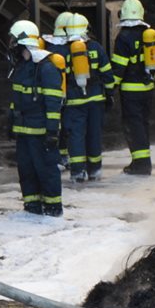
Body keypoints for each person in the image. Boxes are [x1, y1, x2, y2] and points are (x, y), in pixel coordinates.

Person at [7, 20, 64, 216]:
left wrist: (52, 131)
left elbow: (53, 103)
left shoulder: (46, 69)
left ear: (24, 42)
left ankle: (53, 208)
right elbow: (17, 99)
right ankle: (31, 207)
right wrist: (11, 121)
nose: (12, 45)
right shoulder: (21, 68)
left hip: (41, 132)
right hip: (23, 131)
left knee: (46, 170)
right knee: (26, 170)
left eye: (14, 41)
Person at [63, 13, 115, 182]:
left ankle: (78, 172)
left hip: (73, 101)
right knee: (94, 134)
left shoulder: (64, 50)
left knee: (76, 135)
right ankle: (95, 170)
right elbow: (107, 73)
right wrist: (110, 94)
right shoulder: (96, 47)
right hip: (96, 100)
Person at [111, 0, 155, 175]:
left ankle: (141, 165)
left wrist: (110, 87)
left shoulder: (123, 37)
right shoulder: (147, 34)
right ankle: (142, 161)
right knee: (142, 124)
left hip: (131, 90)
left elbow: (119, 67)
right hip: (147, 88)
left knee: (133, 125)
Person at [43, 12, 75, 169]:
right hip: (67, 93)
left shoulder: (48, 47)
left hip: (50, 94)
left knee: (55, 125)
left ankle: (56, 155)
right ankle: (63, 156)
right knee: (66, 126)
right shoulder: (70, 49)